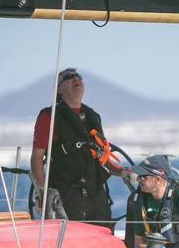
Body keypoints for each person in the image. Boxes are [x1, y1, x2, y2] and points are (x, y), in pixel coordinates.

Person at [31, 68, 125, 229]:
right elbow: (37, 157)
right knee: (71, 241)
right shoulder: (49, 116)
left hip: (96, 193)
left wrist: (123, 172)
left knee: (102, 239)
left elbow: (102, 156)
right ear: (59, 89)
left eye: (79, 77)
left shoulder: (93, 117)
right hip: (67, 193)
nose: (76, 79)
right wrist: (42, 192)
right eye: (69, 77)